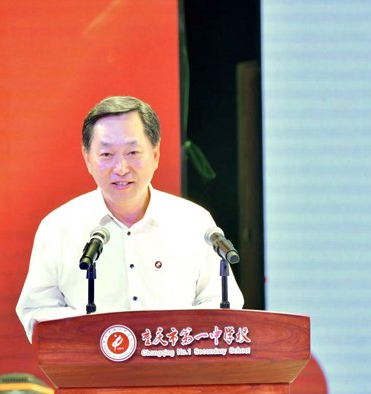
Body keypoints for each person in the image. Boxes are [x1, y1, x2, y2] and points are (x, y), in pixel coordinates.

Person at [16, 96, 243, 342]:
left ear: (155, 154)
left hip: (177, 362)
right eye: (106, 154)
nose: (121, 168)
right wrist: (95, 331)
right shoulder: (58, 228)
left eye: (133, 152)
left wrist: (175, 337)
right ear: (87, 159)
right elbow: (36, 312)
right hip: (91, 364)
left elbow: (222, 301)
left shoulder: (194, 222)